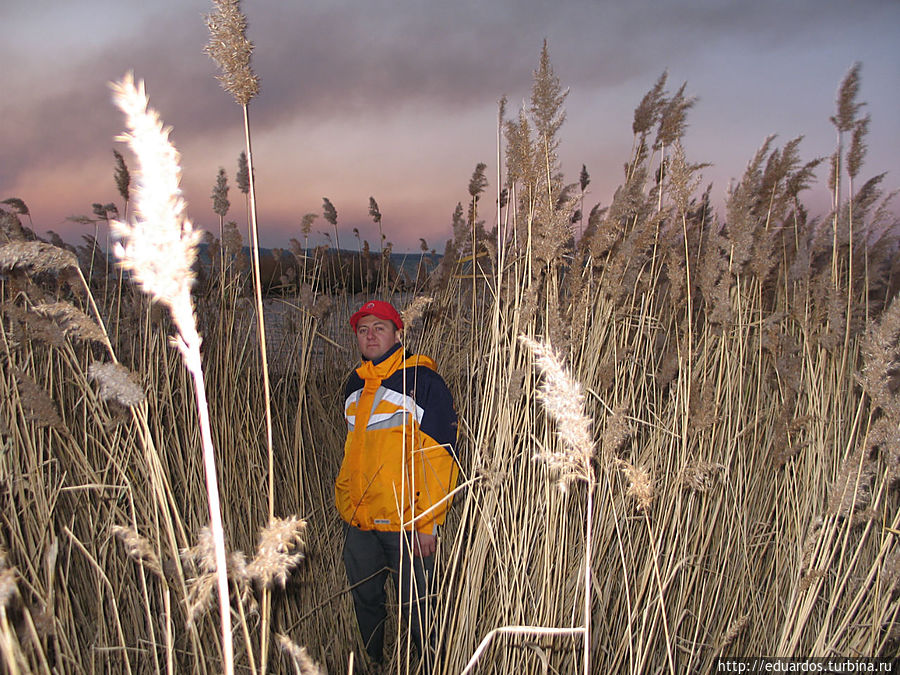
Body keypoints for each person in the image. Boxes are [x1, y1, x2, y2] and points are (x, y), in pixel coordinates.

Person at [335, 300, 459, 672]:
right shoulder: (354, 384)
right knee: (366, 601)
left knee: (420, 609)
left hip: (407, 524)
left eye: (380, 328)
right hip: (358, 520)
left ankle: (432, 665)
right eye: (363, 329)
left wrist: (428, 523)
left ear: (398, 333)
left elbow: (440, 458)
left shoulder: (424, 382)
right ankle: (372, 662)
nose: (370, 335)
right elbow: (354, 449)